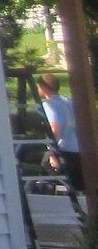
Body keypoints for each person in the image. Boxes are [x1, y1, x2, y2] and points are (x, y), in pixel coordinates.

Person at [38, 72, 85, 209]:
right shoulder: (68, 101)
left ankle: (63, 202)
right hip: (80, 147)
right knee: (80, 182)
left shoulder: (50, 105)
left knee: (47, 163)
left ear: (43, 87)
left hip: (66, 150)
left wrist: (52, 153)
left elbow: (55, 129)